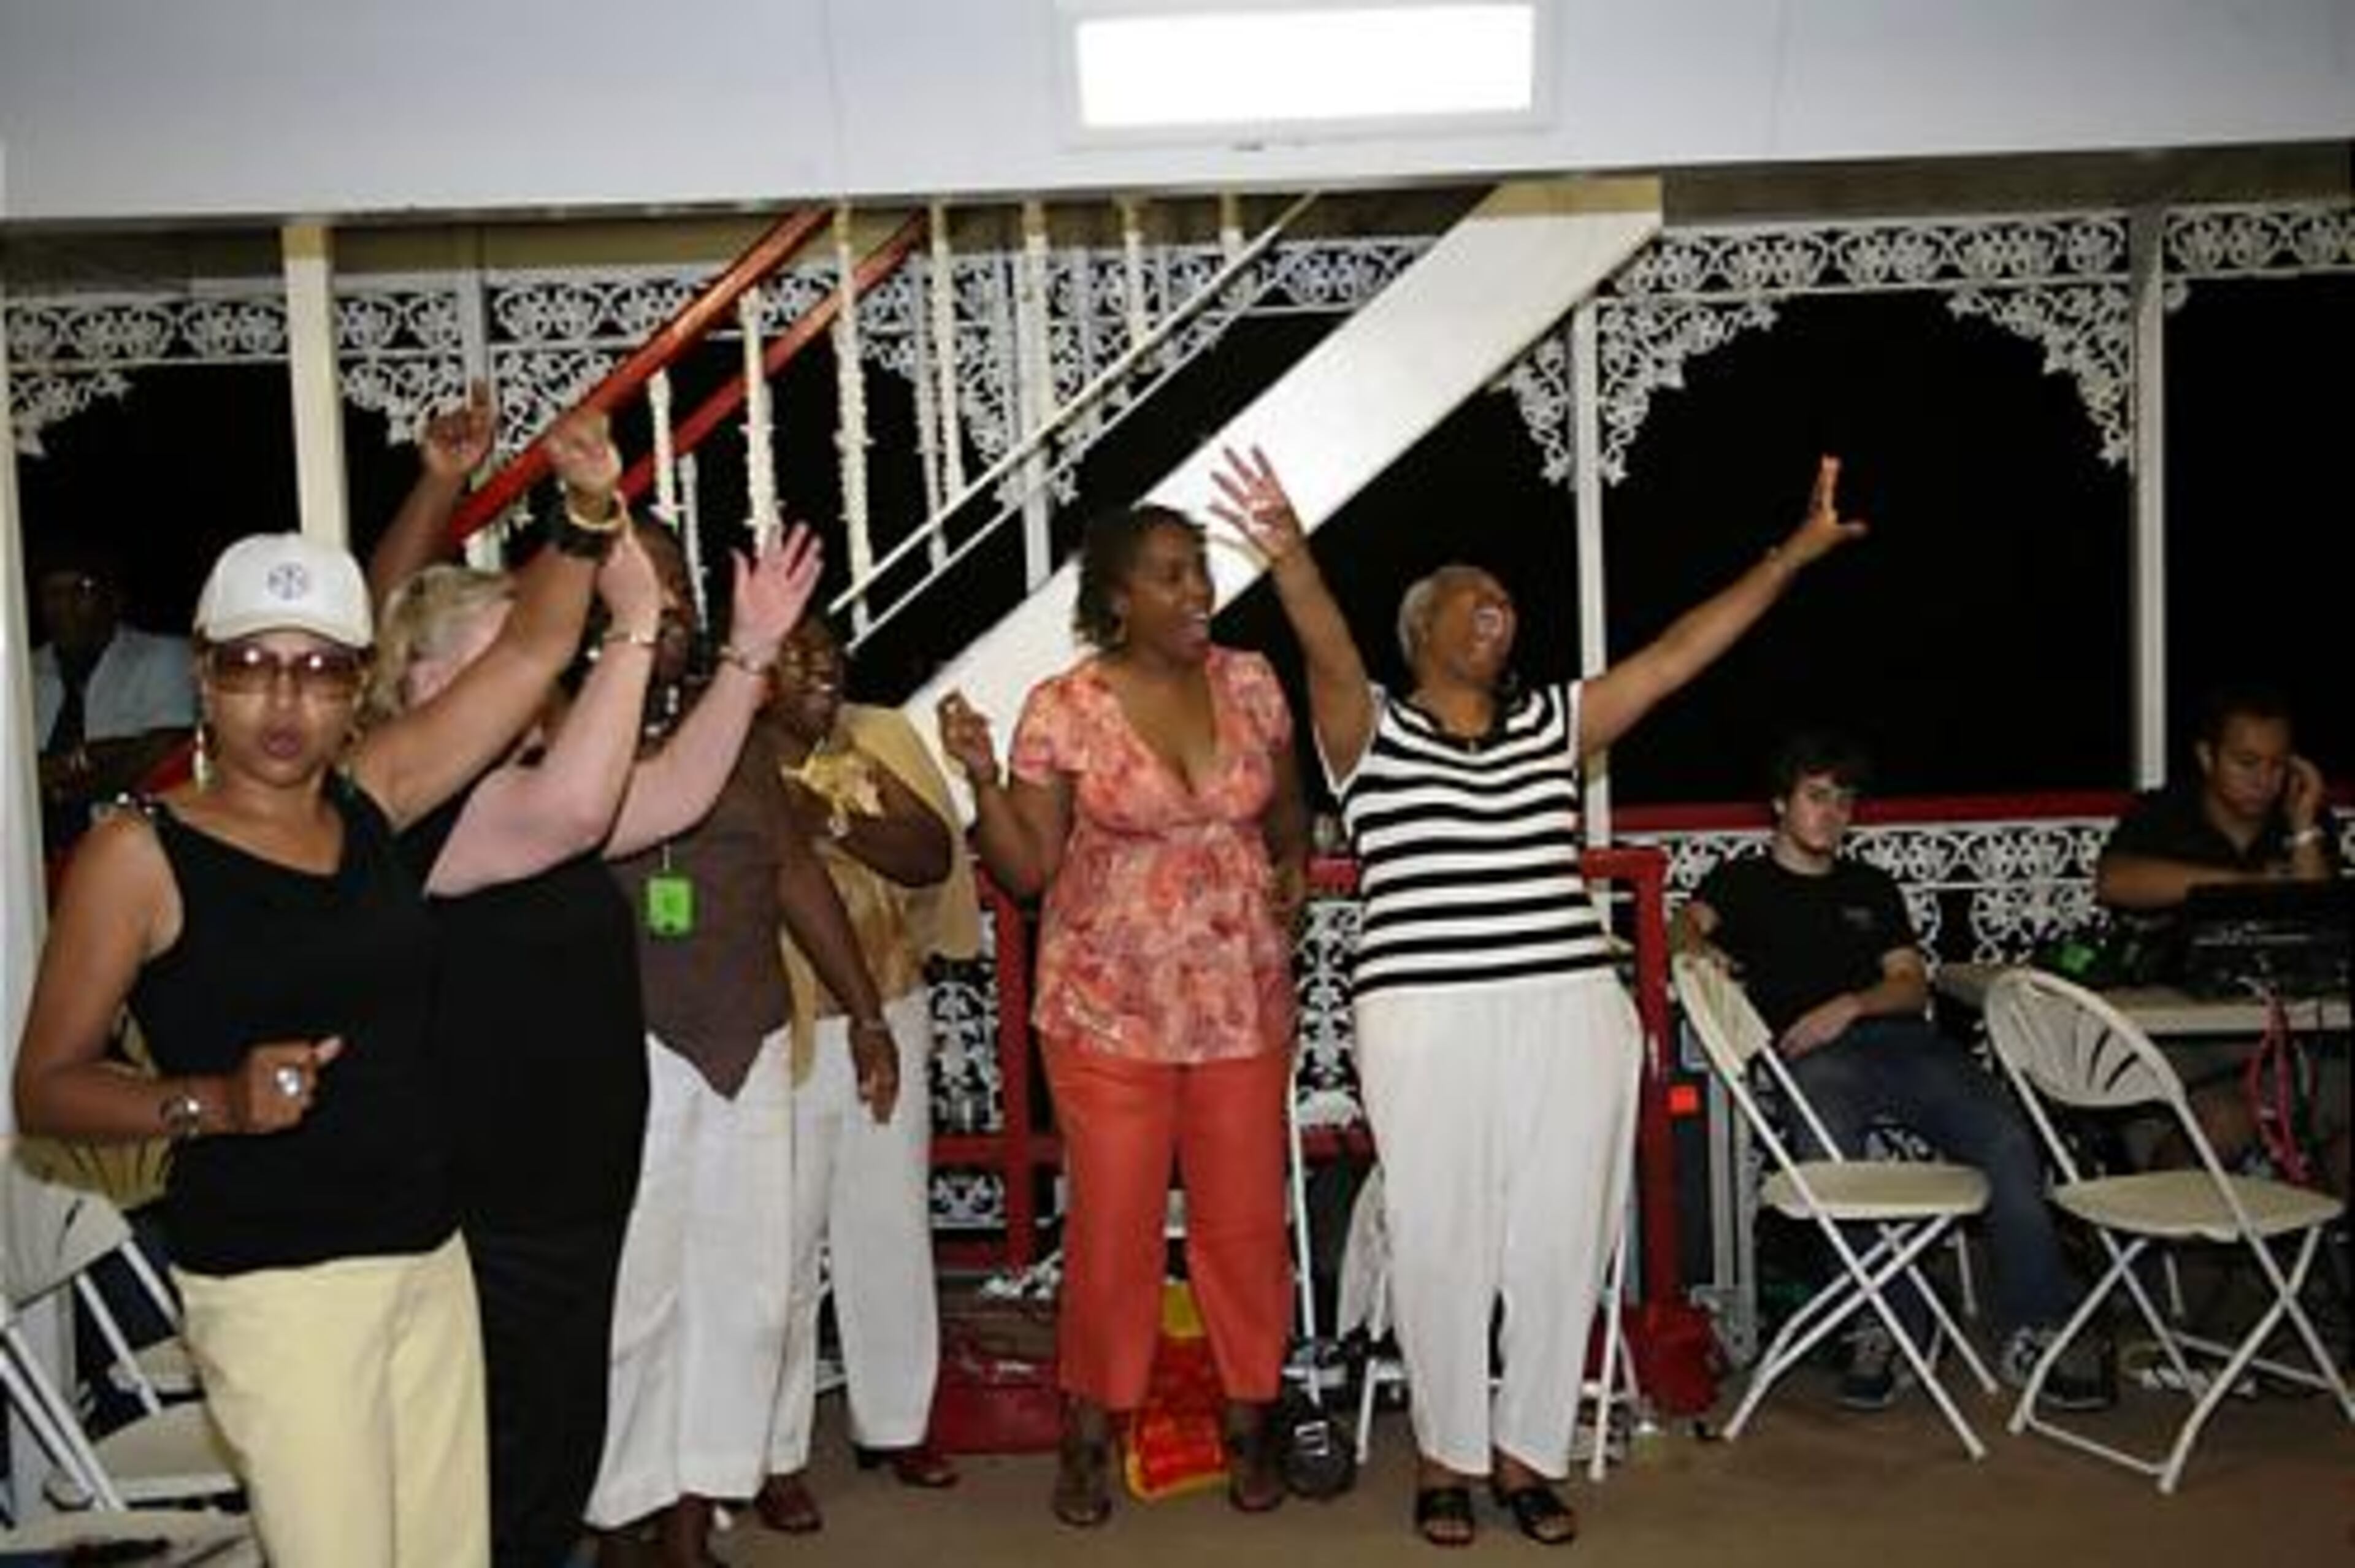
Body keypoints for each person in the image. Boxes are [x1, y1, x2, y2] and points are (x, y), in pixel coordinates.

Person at [1212, 446, 1862, 1548]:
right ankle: (1447, 1454)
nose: (1498, 613)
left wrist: (1790, 556)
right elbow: (1322, 643)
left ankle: (1525, 1452)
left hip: (1569, 1005)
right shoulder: (1370, 733)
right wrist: (1290, 554)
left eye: (1507, 602)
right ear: (1422, 628)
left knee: (1562, 1235)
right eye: (1476, 599)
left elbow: (1677, 656)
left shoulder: (1554, 723)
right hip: (1427, 1010)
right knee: (1440, 1235)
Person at [12, 497, 610, 1567]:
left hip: (427, 1256)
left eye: (321, 668)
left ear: (355, 687)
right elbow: (46, 1087)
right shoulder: (136, 854)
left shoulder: (376, 801)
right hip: (276, 1287)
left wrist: (583, 512)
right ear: (204, 671)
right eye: (252, 663)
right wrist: (215, 1101)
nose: (284, 700)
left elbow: (536, 645)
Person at [364, 403, 827, 1568]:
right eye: (500, 648)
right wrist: (626, 627)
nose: (531, 664)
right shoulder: (414, 812)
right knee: (503, 1478)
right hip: (488, 1210)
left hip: (573, 1197)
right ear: (418, 681)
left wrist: (751, 654)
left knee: (556, 1461)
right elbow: (579, 804)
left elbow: (667, 794)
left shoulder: (525, 788)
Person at [935, 502, 1309, 1528]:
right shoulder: (1066, 706)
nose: (1197, 590)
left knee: (1242, 1222)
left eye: (1200, 571)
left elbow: (1286, 811)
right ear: (1116, 598)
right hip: (1107, 1007)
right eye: (1172, 575)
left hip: (1240, 997)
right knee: (1114, 1223)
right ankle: (1088, 1429)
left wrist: (1293, 865)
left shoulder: (1250, 682)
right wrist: (979, 777)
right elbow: (1025, 869)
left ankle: (1250, 1420)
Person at [583, 524, 890, 1568]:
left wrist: (869, 1013)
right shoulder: (567, 728)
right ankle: (617, 1516)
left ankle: (690, 1517)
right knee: (636, 1294)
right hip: (629, 1044)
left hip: (750, 1038)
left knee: (746, 1294)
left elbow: (796, 875)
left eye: (678, 587)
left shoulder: (739, 735)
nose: (668, 608)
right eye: (645, 586)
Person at [1674, 732, 2110, 1413]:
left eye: (1844, 800)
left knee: (2007, 1138)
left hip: (1908, 1048)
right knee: (1832, 1164)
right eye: (1817, 797)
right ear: (1780, 805)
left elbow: (1911, 985)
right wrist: (1701, 949)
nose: (1832, 813)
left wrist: (1849, 1004)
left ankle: (2035, 1329)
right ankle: (1894, 1319)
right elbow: (1680, 925)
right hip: (1814, 1064)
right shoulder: (1742, 881)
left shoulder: (1869, 887)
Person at [755, 616, 980, 1534]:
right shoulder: (731, 760)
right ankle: (771, 1451)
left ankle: (895, 1422)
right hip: (787, 1027)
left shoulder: (864, 743)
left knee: (886, 1224)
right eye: (791, 654)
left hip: (890, 1003)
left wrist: (838, 816)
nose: (818, 667)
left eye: (826, 650)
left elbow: (929, 853)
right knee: (784, 1244)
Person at [2095, 683, 2347, 1193]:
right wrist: (2246, 888)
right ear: (2208, 756)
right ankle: (2157, 1245)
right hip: (2186, 1035)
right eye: (2247, 762)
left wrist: (2303, 826)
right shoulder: (2167, 812)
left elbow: (2323, 918)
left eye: (2277, 765)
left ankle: (2306, 1253)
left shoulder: (2301, 819)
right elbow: (2114, 881)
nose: (2263, 780)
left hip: (2292, 1033)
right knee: (2224, 1121)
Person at [29, 543, 196, 852]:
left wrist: (60, 774)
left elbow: (168, 755)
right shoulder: (23, 674)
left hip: (139, 846)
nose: (66, 605)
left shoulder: (161, 657)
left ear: (114, 600)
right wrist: (96, 758)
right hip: (35, 855)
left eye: (83, 589)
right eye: (53, 594)